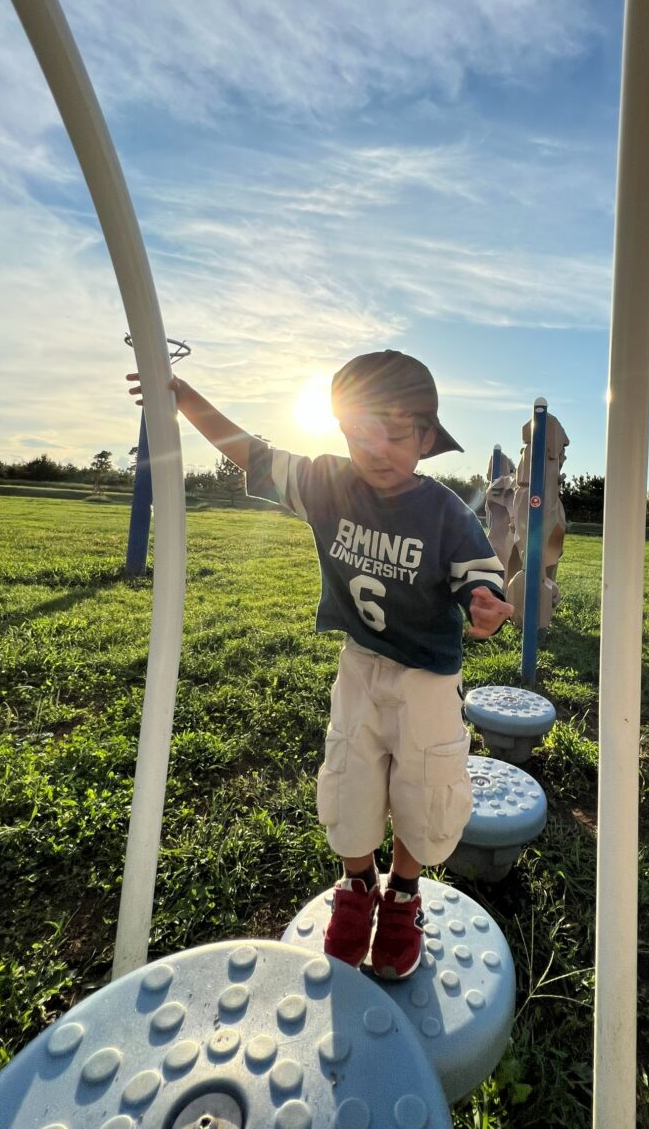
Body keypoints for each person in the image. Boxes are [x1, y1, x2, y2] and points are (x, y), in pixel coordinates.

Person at [127, 350, 513, 979]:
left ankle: (403, 897)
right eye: (361, 431)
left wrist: (485, 603)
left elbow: (479, 577)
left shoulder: (445, 511)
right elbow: (252, 453)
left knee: (423, 790)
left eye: (394, 433)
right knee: (351, 780)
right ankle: (357, 885)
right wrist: (184, 397)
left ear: (425, 438)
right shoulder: (329, 484)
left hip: (426, 680)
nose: (377, 447)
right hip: (360, 666)